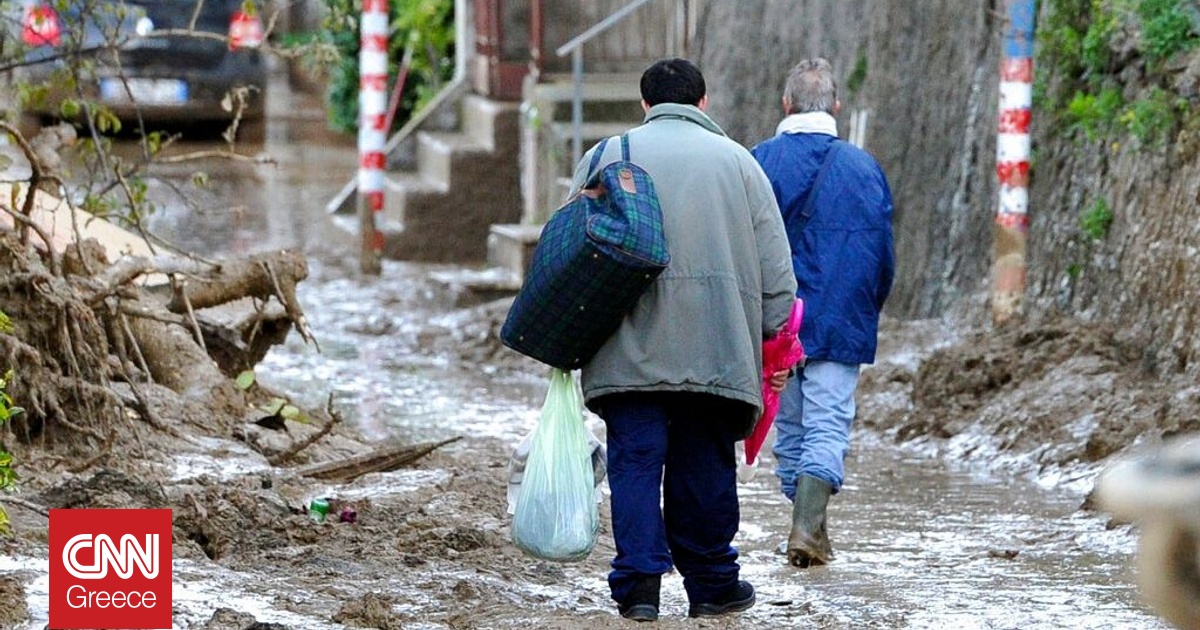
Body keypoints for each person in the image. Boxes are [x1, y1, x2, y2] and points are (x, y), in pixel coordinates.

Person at [571, 58, 797, 622]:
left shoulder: (605, 157)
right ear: (703, 102)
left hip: (626, 348)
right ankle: (713, 584)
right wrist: (773, 340)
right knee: (704, 466)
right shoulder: (740, 164)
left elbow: (568, 255)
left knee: (637, 463)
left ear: (644, 105)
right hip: (717, 348)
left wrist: (562, 337)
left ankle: (640, 589)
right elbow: (778, 273)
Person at [750, 58, 896, 569]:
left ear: (785, 105)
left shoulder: (757, 162)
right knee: (828, 425)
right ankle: (808, 529)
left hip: (775, 321)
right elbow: (882, 255)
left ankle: (807, 527)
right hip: (840, 319)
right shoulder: (863, 168)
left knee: (789, 430)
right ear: (836, 106)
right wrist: (867, 310)